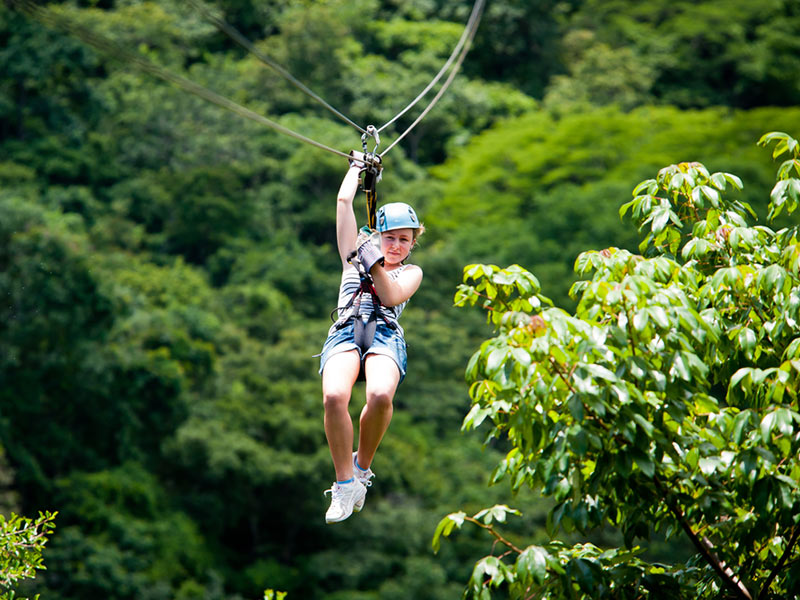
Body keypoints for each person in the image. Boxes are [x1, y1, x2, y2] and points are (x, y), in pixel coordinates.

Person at [318, 162, 424, 523]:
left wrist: (375, 263)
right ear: (377, 235)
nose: (395, 246)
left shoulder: (411, 272)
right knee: (334, 397)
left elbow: (391, 296)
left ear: (412, 245)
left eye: (403, 240)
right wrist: (355, 167)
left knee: (379, 395)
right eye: (389, 237)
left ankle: (361, 468)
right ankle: (344, 484)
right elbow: (344, 201)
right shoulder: (352, 257)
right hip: (347, 329)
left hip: (384, 334)